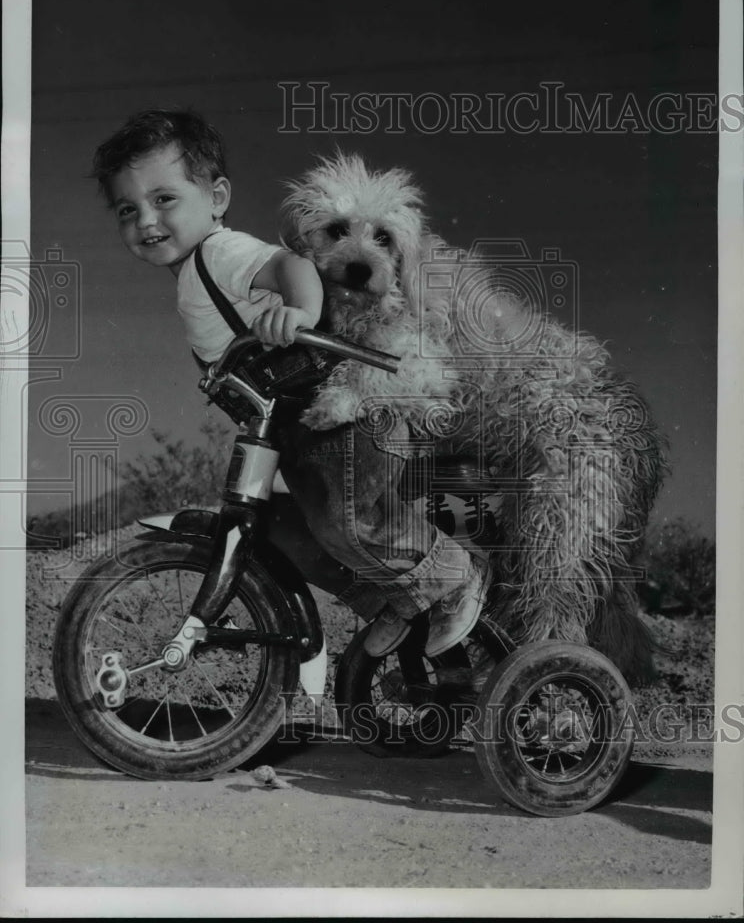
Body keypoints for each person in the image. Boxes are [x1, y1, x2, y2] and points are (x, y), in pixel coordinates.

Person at [92, 109, 489, 659]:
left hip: (348, 420)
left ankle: (450, 574)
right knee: (280, 530)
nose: (145, 221)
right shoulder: (194, 275)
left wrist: (299, 311)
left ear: (217, 198)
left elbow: (290, 264)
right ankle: (387, 600)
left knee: (342, 519)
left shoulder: (219, 252)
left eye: (164, 199)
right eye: (127, 210)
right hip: (297, 433)